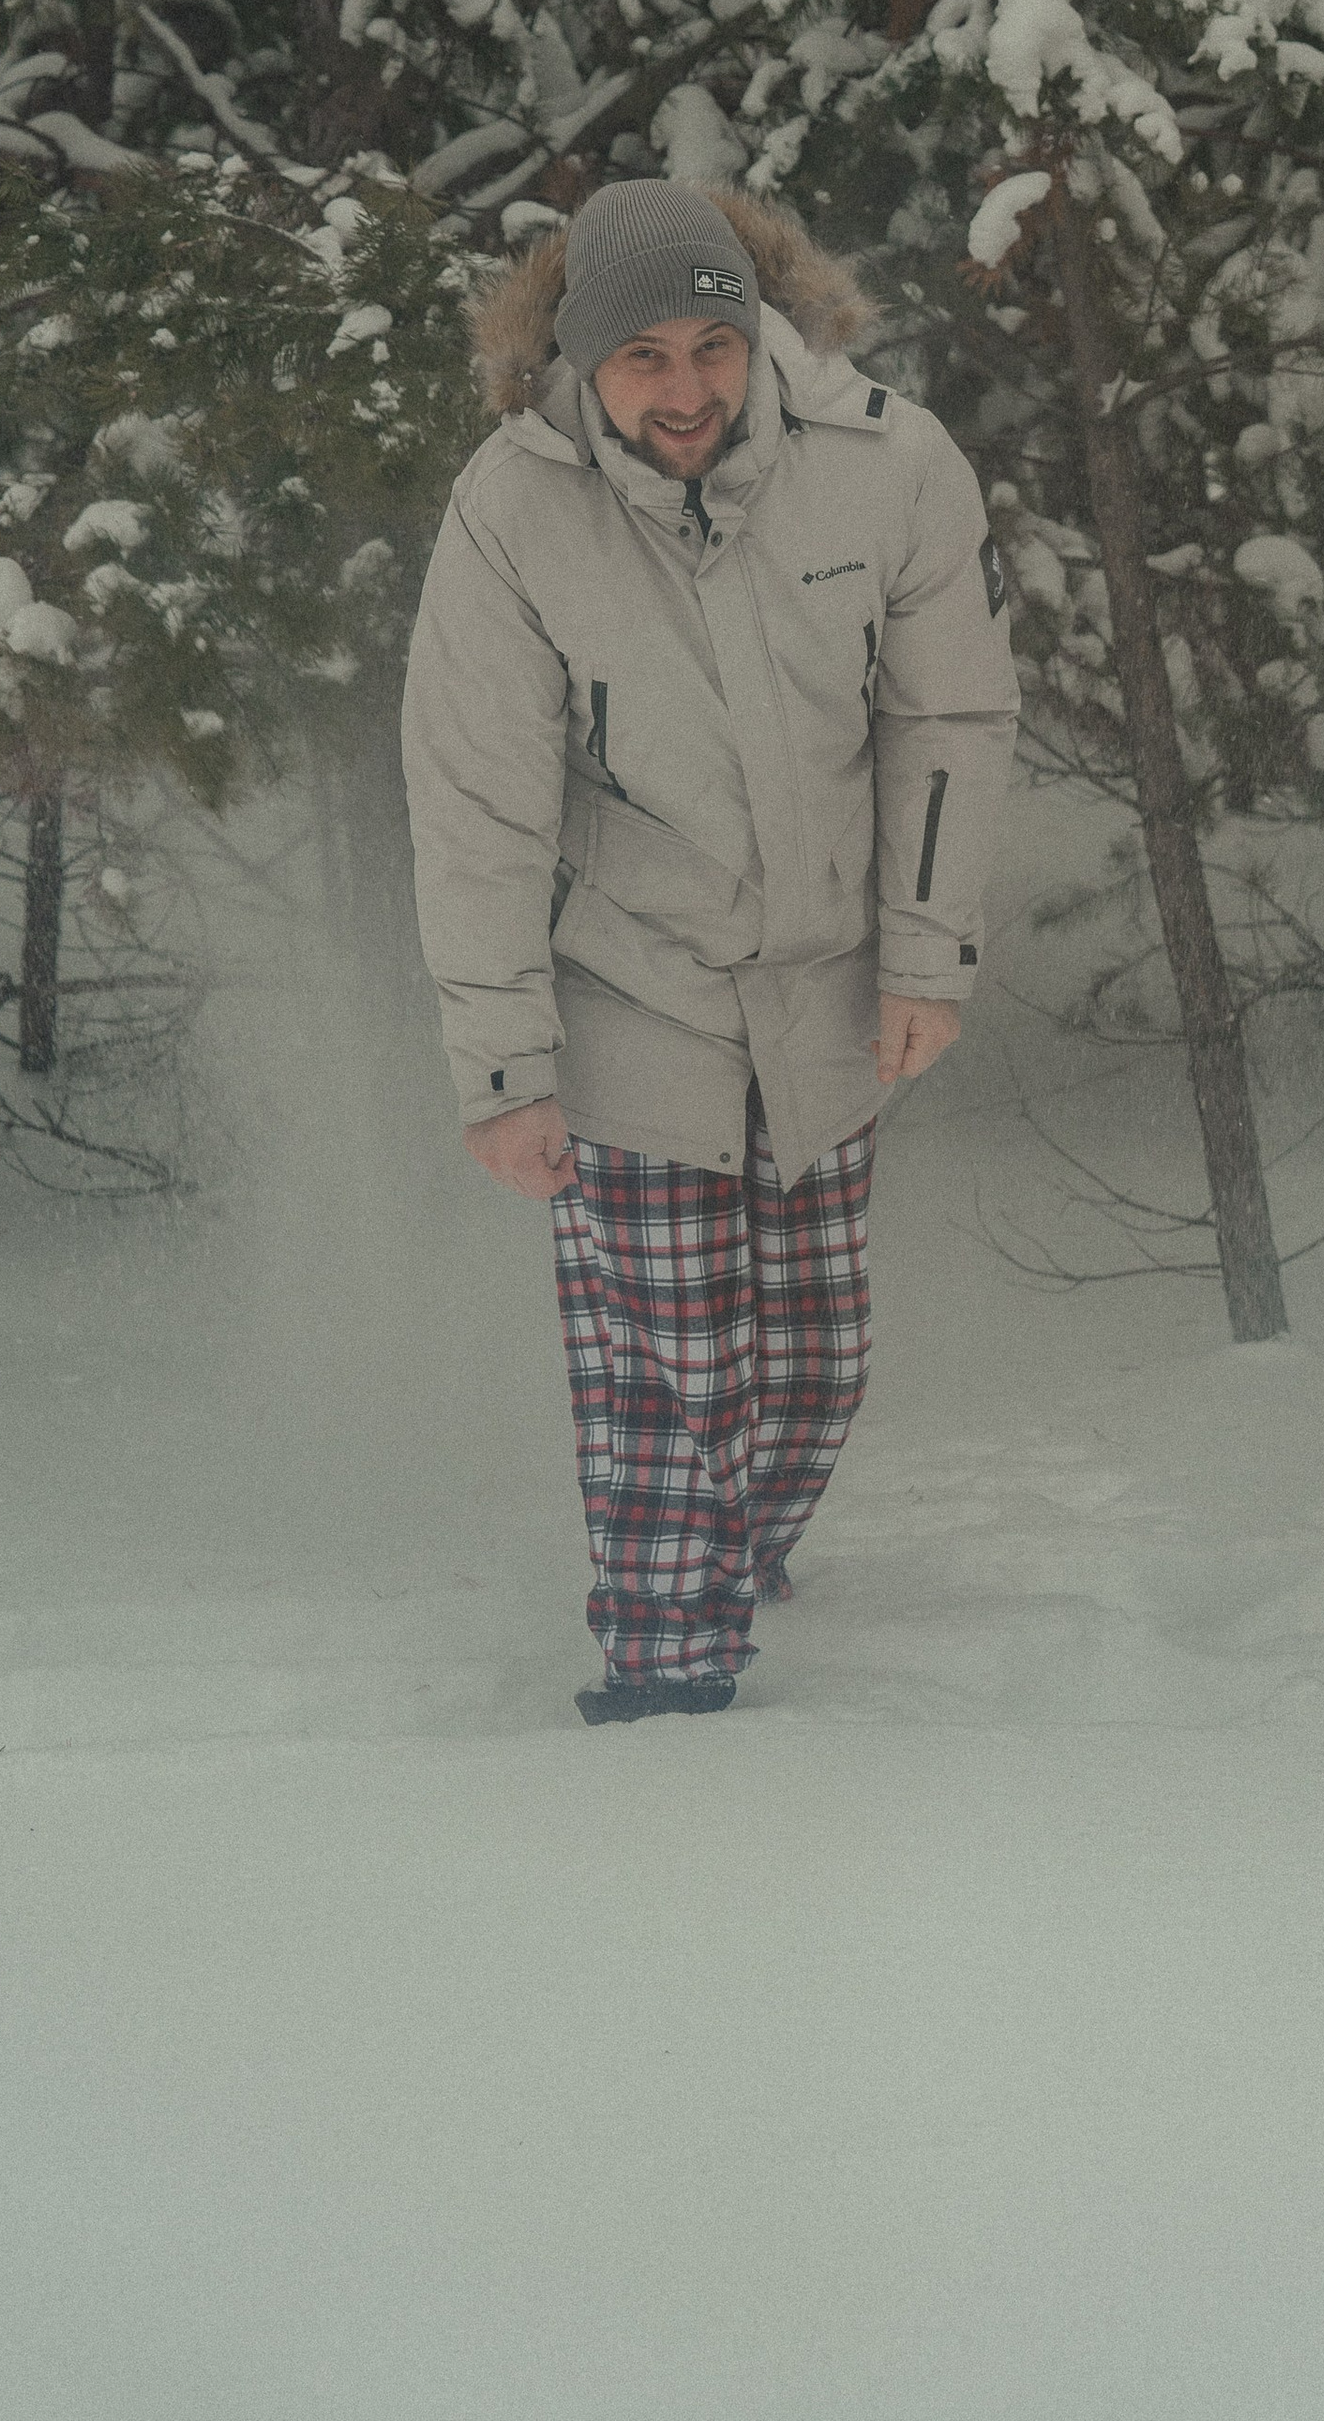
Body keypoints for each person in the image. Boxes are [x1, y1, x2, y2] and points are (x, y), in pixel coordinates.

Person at [402, 176, 1018, 1723]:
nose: (684, 392)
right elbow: (475, 797)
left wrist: (925, 960)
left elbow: (945, 723)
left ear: (757, 335)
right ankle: (667, 1676)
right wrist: (503, 1065)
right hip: (631, 983)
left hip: (821, 986)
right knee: (666, 1364)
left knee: (810, 1366)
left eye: (709, 348)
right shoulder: (515, 507)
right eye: (641, 362)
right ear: (579, 363)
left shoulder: (888, 467)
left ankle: (744, 1547)